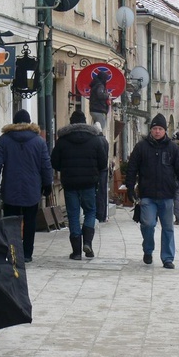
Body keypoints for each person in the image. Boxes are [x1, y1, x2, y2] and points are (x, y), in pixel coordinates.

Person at [125, 114, 179, 269]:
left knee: (168, 227)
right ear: (151, 130)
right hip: (147, 194)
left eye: (160, 129)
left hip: (167, 195)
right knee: (148, 224)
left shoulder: (172, 148)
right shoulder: (142, 147)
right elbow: (132, 167)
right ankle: (148, 250)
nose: (157, 131)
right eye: (154, 128)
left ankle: (167, 258)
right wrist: (129, 187)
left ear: (165, 131)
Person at [0, 109, 53, 263]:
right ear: (29, 122)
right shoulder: (39, 142)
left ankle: (13, 252)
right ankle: (27, 254)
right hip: (32, 188)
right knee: (30, 221)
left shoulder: (4, 140)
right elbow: (46, 164)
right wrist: (47, 183)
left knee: (11, 222)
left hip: (10, 187)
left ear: (14, 122)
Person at [51, 110, 107, 260]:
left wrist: (65, 168)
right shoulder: (95, 140)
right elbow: (103, 163)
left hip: (70, 184)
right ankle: (87, 242)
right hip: (89, 183)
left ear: (71, 122)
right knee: (90, 212)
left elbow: (54, 162)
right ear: (85, 122)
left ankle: (76, 252)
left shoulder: (62, 141)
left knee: (73, 215)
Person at [93, 122, 110, 223]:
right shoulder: (105, 140)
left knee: (98, 192)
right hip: (104, 169)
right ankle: (103, 214)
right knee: (103, 192)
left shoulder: (96, 141)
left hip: (99, 170)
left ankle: (99, 214)